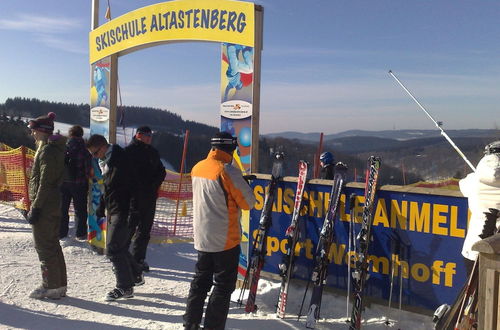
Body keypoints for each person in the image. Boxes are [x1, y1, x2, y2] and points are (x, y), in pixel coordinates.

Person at [183, 131, 256, 330]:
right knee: (223, 286)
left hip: (202, 236)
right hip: (225, 238)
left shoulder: (198, 167)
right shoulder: (228, 171)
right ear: (231, 148)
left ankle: (190, 323)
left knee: (200, 282)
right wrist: (244, 184)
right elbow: (248, 203)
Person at [86, 134, 143, 301]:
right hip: (114, 209)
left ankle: (124, 287)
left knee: (113, 249)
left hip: (124, 210)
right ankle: (135, 275)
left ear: (103, 147)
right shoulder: (106, 162)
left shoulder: (121, 161)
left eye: (95, 153)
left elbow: (135, 187)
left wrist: (134, 212)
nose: (94, 157)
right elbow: (109, 187)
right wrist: (102, 207)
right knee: (121, 246)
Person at [26, 112, 68, 299]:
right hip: (50, 204)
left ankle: (50, 285)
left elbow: (45, 182)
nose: (33, 135)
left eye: (34, 131)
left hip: (45, 205)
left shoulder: (48, 151)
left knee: (44, 246)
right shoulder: (51, 149)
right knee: (52, 244)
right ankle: (58, 284)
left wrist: (36, 207)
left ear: (42, 132)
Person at [125, 126, 166, 272]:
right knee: (128, 229)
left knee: (144, 230)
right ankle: (122, 258)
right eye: (146, 135)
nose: (149, 138)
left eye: (150, 136)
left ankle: (139, 259)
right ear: (138, 135)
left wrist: (154, 184)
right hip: (133, 198)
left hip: (149, 197)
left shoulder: (153, 152)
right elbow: (124, 175)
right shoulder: (128, 151)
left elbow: (161, 171)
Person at [459, 140, 500, 274]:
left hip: (474, 248)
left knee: (476, 293)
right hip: (496, 249)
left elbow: (462, 184)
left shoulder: (473, 182)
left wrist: (477, 175)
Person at [60, 125, 92, 240]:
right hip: (79, 184)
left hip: (64, 182)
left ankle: (62, 233)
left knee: (63, 209)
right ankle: (80, 233)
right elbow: (88, 169)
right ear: (81, 134)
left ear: (70, 134)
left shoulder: (64, 148)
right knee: (80, 210)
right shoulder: (85, 150)